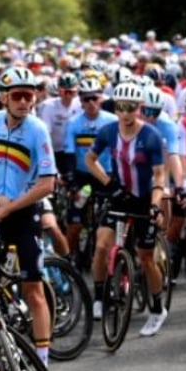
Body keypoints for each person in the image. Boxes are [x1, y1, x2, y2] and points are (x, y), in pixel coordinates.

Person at [0, 66, 56, 367]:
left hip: (24, 214)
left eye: (30, 96)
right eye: (18, 96)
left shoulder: (37, 130)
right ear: (4, 98)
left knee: (33, 289)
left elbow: (48, 183)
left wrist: (9, 208)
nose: (25, 102)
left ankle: (43, 360)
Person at [85, 82, 169, 337]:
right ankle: (99, 296)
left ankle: (157, 308)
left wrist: (155, 206)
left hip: (144, 199)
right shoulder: (108, 131)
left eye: (131, 107)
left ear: (139, 108)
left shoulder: (151, 136)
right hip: (119, 194)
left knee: (146, 257)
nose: (125, 112)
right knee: (101, 246)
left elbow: (158, 178)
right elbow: (90, 160)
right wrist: (108, 183)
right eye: (121, 107)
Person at [62, 77, 117, 277]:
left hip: (105, 176)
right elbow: (69, 152)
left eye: (94, 98)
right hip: (83, 177)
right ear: (81, 101)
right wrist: (70, 180)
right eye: (85, 99)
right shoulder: (73, 123)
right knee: (75, 222)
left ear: (101, 98)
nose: (90, 103)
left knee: (110, 220)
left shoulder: (111, 121)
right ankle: (67, 261)